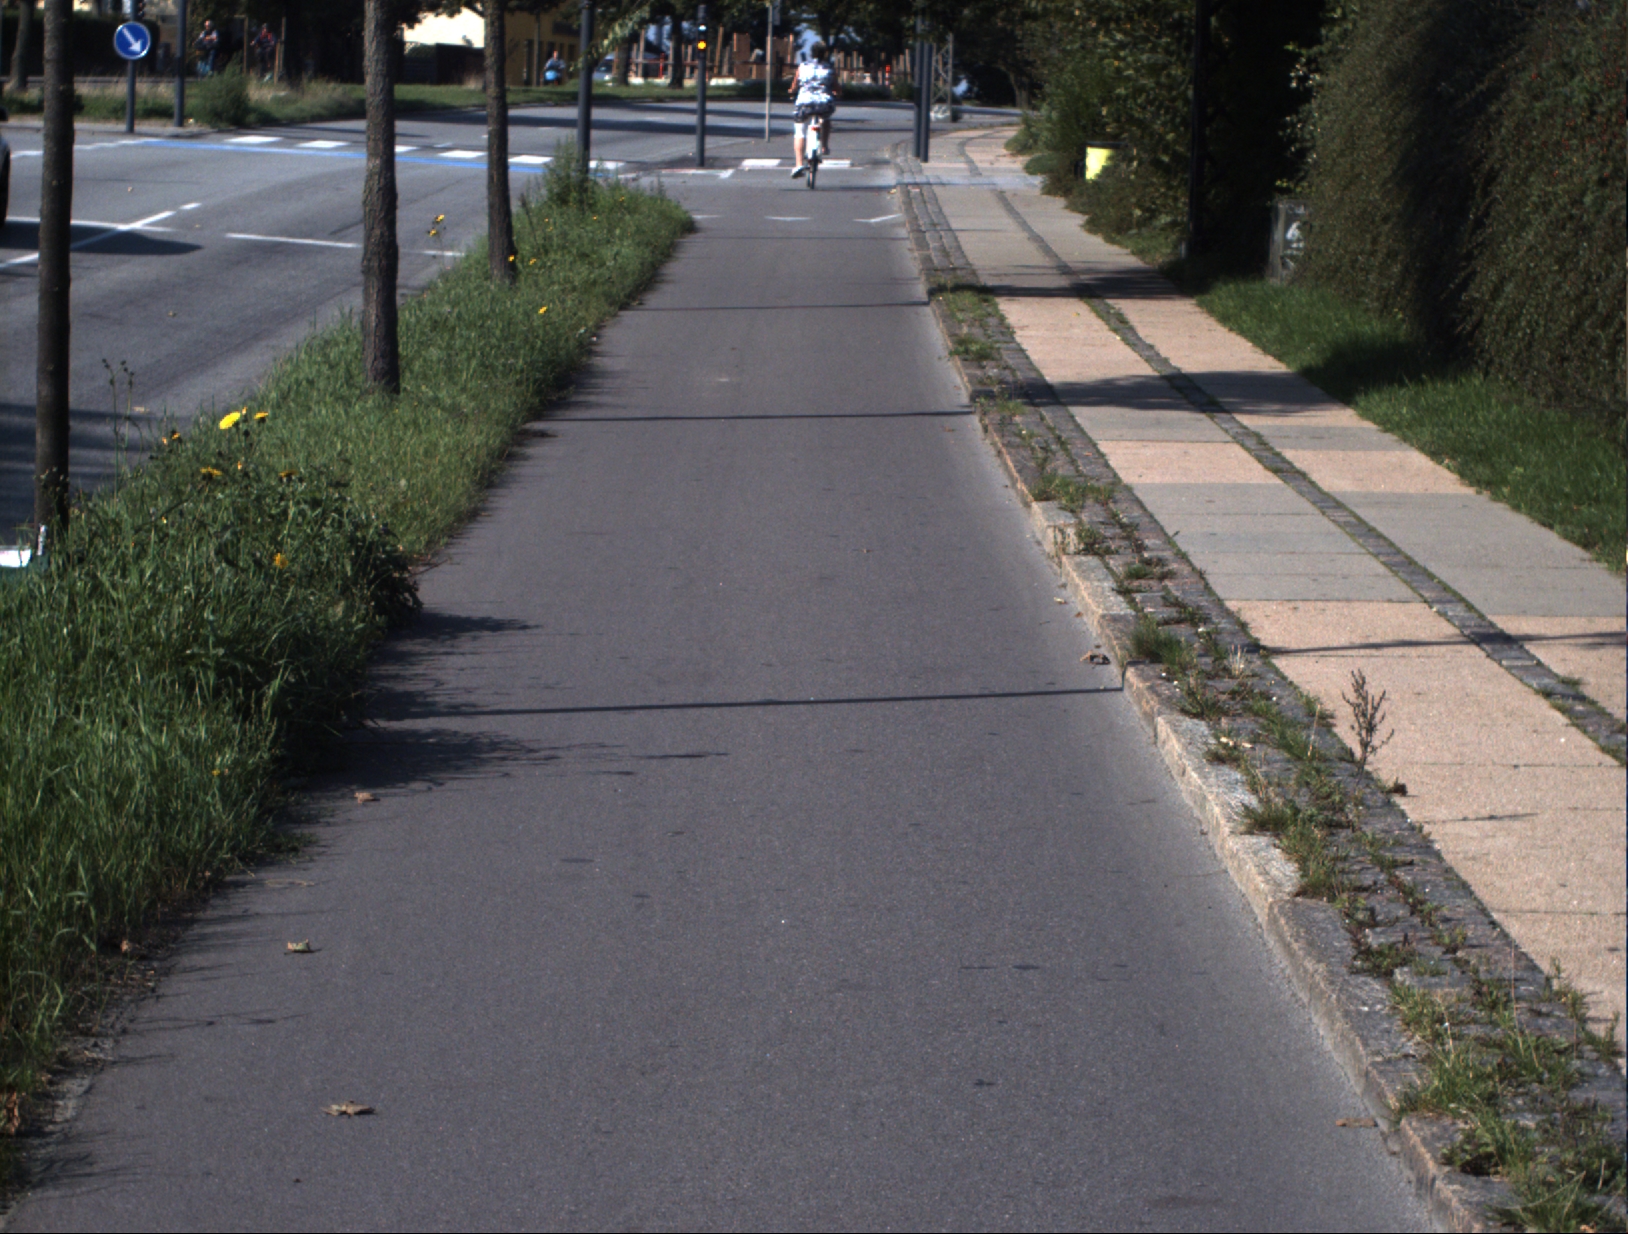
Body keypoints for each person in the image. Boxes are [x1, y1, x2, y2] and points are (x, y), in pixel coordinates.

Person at [788, 41, 839, 179]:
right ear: (825, 54)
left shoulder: (803, 66)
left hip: (804, 103)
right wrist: (837, 92)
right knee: (826, 118)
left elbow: (795, 85)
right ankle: (824, 146)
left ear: (811, 53)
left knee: (799, 130)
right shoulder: (829, 68)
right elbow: (836, 87)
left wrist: (791, 91)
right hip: (823, 103)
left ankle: (799, 164)